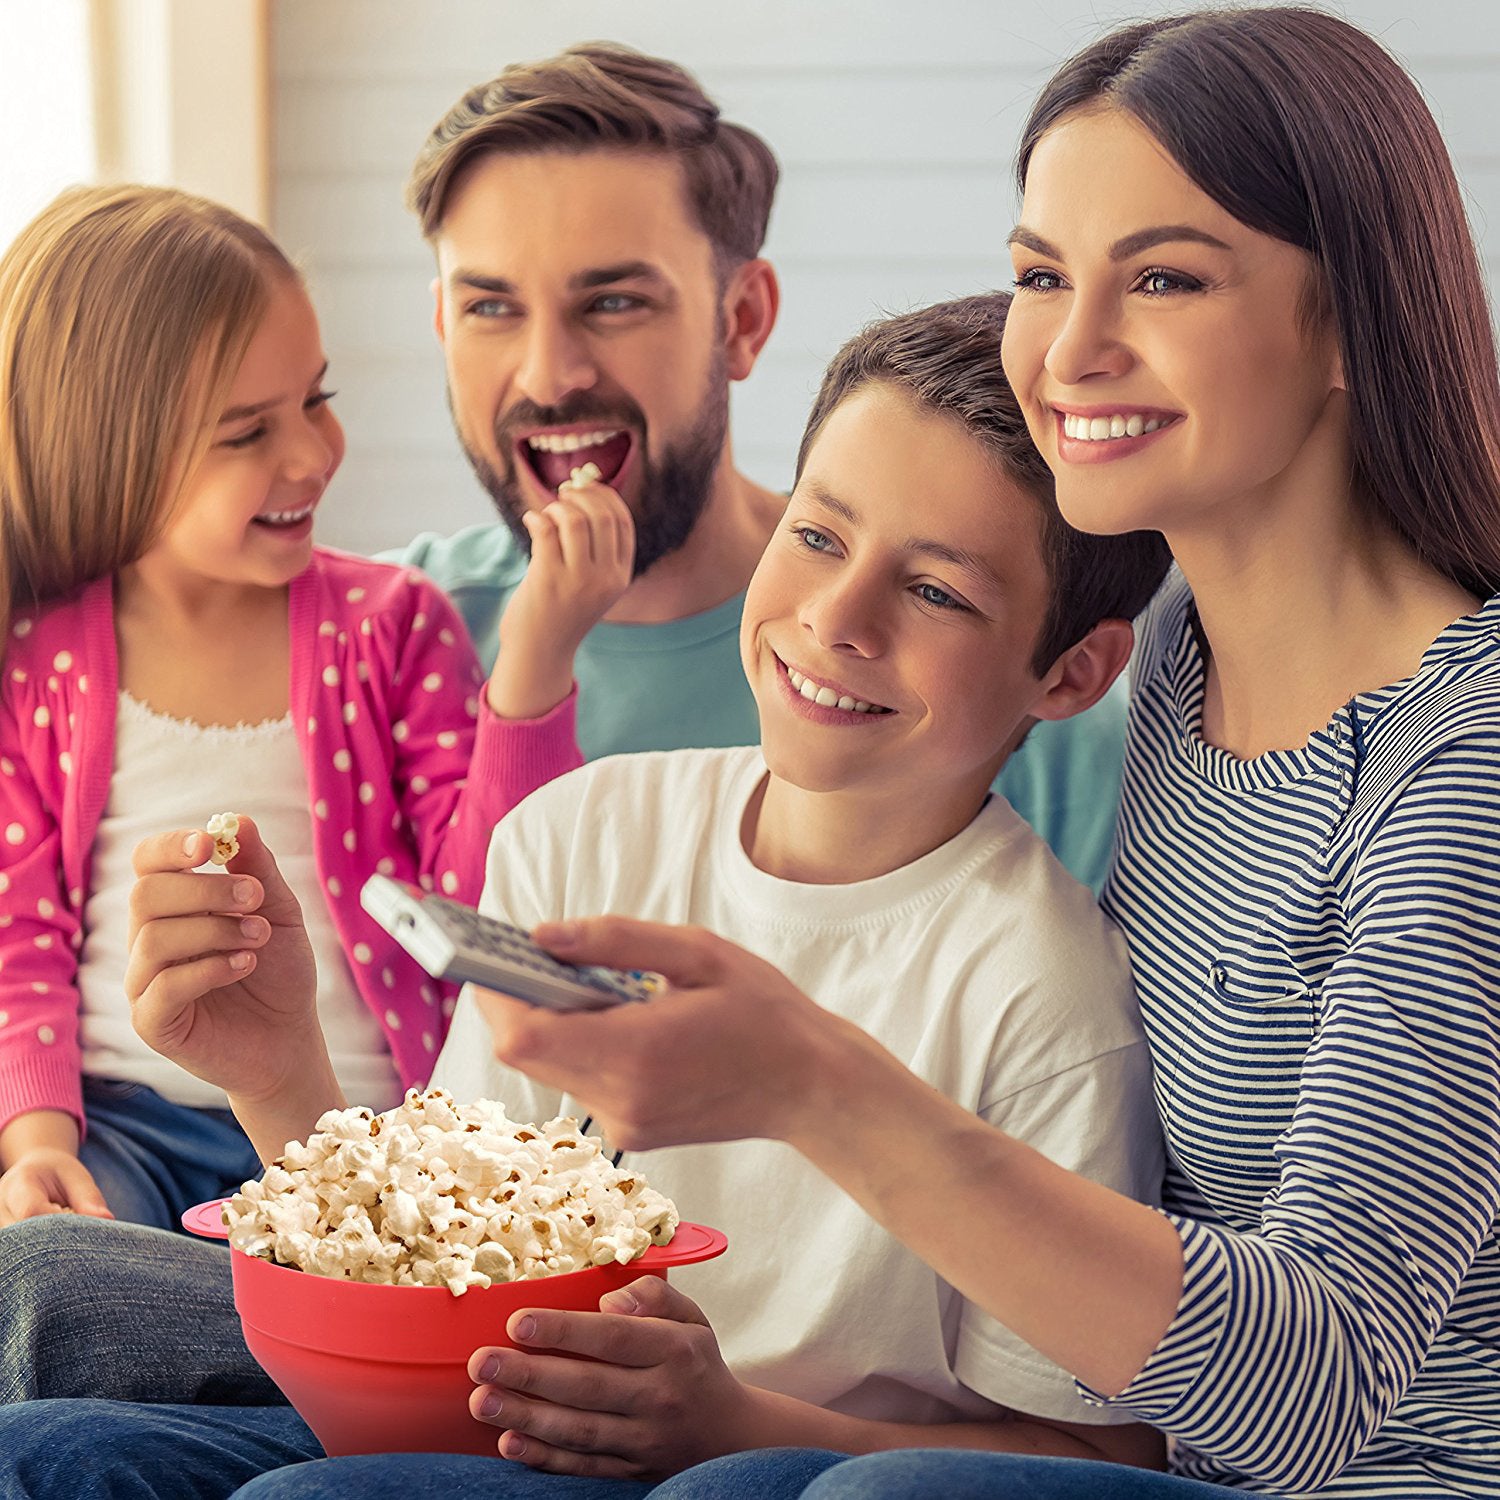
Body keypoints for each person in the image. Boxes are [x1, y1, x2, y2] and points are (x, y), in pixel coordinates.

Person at [365, 9, 1500, 1497]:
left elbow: (1313, 1388)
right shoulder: (1184, 663)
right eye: (1042, 275)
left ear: (1352, 317)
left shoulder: (1460, 766)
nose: (1071, 351)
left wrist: (817, 1086)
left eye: (1163, 277)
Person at [0, 293, 1172, 1497]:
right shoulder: (580, 832)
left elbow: (1093, 1456)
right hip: (480, 1407)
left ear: (1072, 670)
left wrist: (729, 1424)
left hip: (742, 1470)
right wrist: (276, 1069)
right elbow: (438, 1269)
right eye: (819, 535)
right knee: (41, 1449)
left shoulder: (1046, 996)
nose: (836, 618)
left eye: (936, 593)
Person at [0, 184, 613, 1235]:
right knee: (50, 1270)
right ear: (107, 452)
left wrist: (536, 660)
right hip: (119, 1134)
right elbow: (19, 935)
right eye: (247, 433)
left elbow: (486, 913)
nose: (313, 454)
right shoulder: (39, 661)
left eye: (316, 399)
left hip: (354, 1135)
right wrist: (38, 1143)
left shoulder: (390, 625)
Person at [384, 41, 1130, 895]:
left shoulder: (1011, 683)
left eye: (615, 303)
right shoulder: (377, 641)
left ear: (742, 319)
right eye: (490, 307)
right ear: (442, 325)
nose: (549, 377)